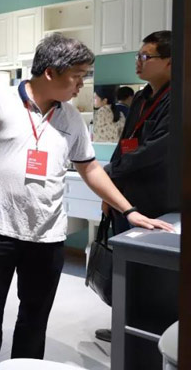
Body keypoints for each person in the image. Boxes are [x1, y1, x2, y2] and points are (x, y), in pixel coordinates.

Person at [0, 33, 174, 369]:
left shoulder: (70, 117)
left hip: (48, 236)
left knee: (35, 316)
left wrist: (128, 210)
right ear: (50, 73)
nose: (81, 85)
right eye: (77, 76)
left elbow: (90, 168)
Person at [95, 30, 174, 343]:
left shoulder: (176, 99)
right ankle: (122, 325)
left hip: (154, 201)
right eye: (138, 56)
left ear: (169, 61)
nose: (138, 62)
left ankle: (148, 334)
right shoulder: (141, 98)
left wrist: (112, 171)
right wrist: (109, 185)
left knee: (150, 274)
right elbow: (124, 143)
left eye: (145, 56)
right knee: (123, 267)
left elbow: (157, 149)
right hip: (125, 197)